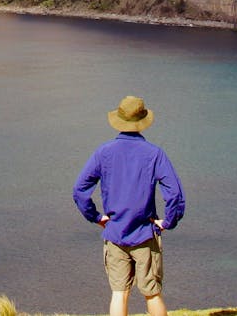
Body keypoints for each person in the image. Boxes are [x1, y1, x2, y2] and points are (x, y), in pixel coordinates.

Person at [72, 95, 186, 316]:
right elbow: (175, 194)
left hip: (114, 233)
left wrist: (96, 217)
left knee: (119, 293)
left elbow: (80, 190)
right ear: (143, 120)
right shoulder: (154, 154)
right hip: (145, 233)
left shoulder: (103, 152)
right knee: (151, 293)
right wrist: (169, 221)